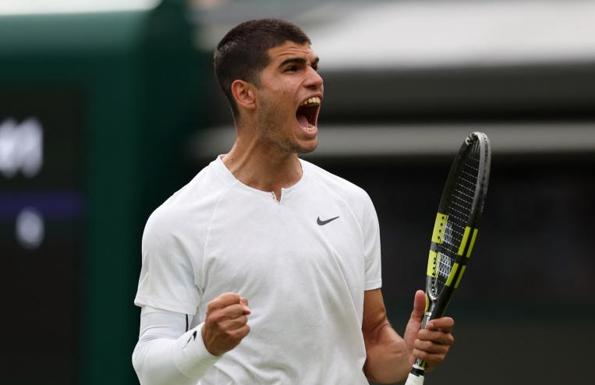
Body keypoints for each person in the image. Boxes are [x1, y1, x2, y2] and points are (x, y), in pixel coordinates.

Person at [132, 18, 455, 385]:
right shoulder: (178, 220)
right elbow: (150, 369)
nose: (315, 79)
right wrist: (205, 343)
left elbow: (373, 339)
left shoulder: (353, 203)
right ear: (245, 94)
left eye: (314, 66)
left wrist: (409, 351)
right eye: (292, 68)